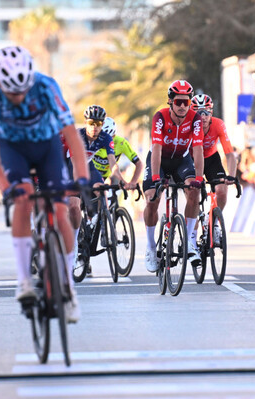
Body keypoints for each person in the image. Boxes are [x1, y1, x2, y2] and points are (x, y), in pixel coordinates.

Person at [0, 46, 89, 322]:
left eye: (24, 90)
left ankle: (68, 289)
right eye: (13, 93)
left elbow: (72, 136)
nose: (20, 97)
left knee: (61, 210)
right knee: (23, 200)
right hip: (13, 148)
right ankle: (24, 281)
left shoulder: (46, 86)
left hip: (47, 146)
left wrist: (82, 177)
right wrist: (6, 190)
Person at [143, 79, 204, 272]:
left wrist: (199, 179)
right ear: (170, 101)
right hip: (159, 160)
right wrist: (155, 178)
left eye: (186, 102)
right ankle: (151, 247)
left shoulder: (195, 119)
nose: (182, 106)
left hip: (181, 160)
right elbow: (156, 149)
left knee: (194, 193)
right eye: (178, 102)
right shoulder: (160, 117)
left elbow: (198, 149)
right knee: (152, 199)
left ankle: (187, 242)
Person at [67, 106, 128, 266]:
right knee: (74, 205)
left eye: (99, 123)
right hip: (69, 166)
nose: (95, 127)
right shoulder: (77, 136)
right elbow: (74, 163)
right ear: (86, 122)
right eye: (92, 123)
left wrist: (121, 180)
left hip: (88, 166)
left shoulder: (106, 138)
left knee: (101, 189)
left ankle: (100, 225)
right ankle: (73, 246)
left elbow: (113, 163)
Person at [190, 93, 237, 245]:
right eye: (198, 113)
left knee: (222, 191)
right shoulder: (188, 126)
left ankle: (213, 222)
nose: (203, 117)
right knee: (193, 195)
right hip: (191, 159)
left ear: (211, 113)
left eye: (206, 112)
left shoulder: (218, 124)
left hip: (211, 159)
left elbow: (229, 153)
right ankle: (192, 235)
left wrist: (232, 175)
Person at [92, 117, 143, 189]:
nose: (105, 142)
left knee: (105, 193)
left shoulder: (121, 143)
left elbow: (139, 163)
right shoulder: (92, 140)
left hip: (106, 176)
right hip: (89, 173)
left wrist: (133, 182)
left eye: (109, 138)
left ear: (114, 135)